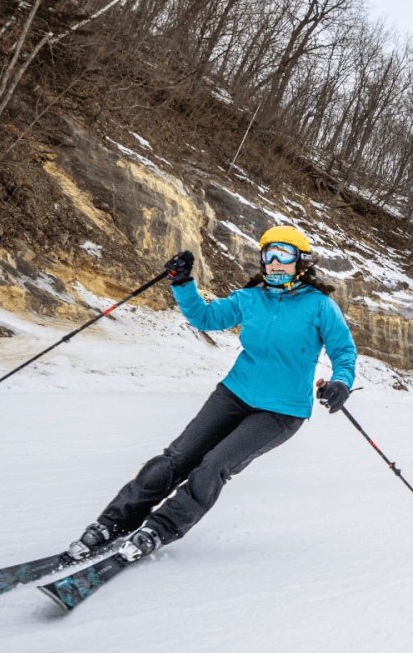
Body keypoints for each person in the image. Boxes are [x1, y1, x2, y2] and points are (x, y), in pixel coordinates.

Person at [66, 225, 357, 563]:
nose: (275, 263)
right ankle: (112, 524)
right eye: (269, 255)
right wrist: (182, 282)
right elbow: (205, 318)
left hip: (281, 411)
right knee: (176, 459)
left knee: (213, 465)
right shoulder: (250, 298)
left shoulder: (319, 306)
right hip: (234, 394)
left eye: (285, 256)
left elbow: (343, 351)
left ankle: (159, 529)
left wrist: (341, 382)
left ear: (301, 262)